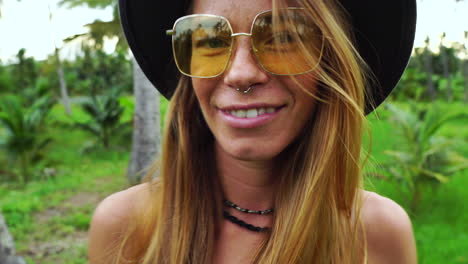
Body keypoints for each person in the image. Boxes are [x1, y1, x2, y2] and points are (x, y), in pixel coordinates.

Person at [88, 0, 418, 263]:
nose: (241, 74)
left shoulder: (377, 232)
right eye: (209, 40)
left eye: (284, 37)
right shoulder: (125, 226)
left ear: (331, 60)